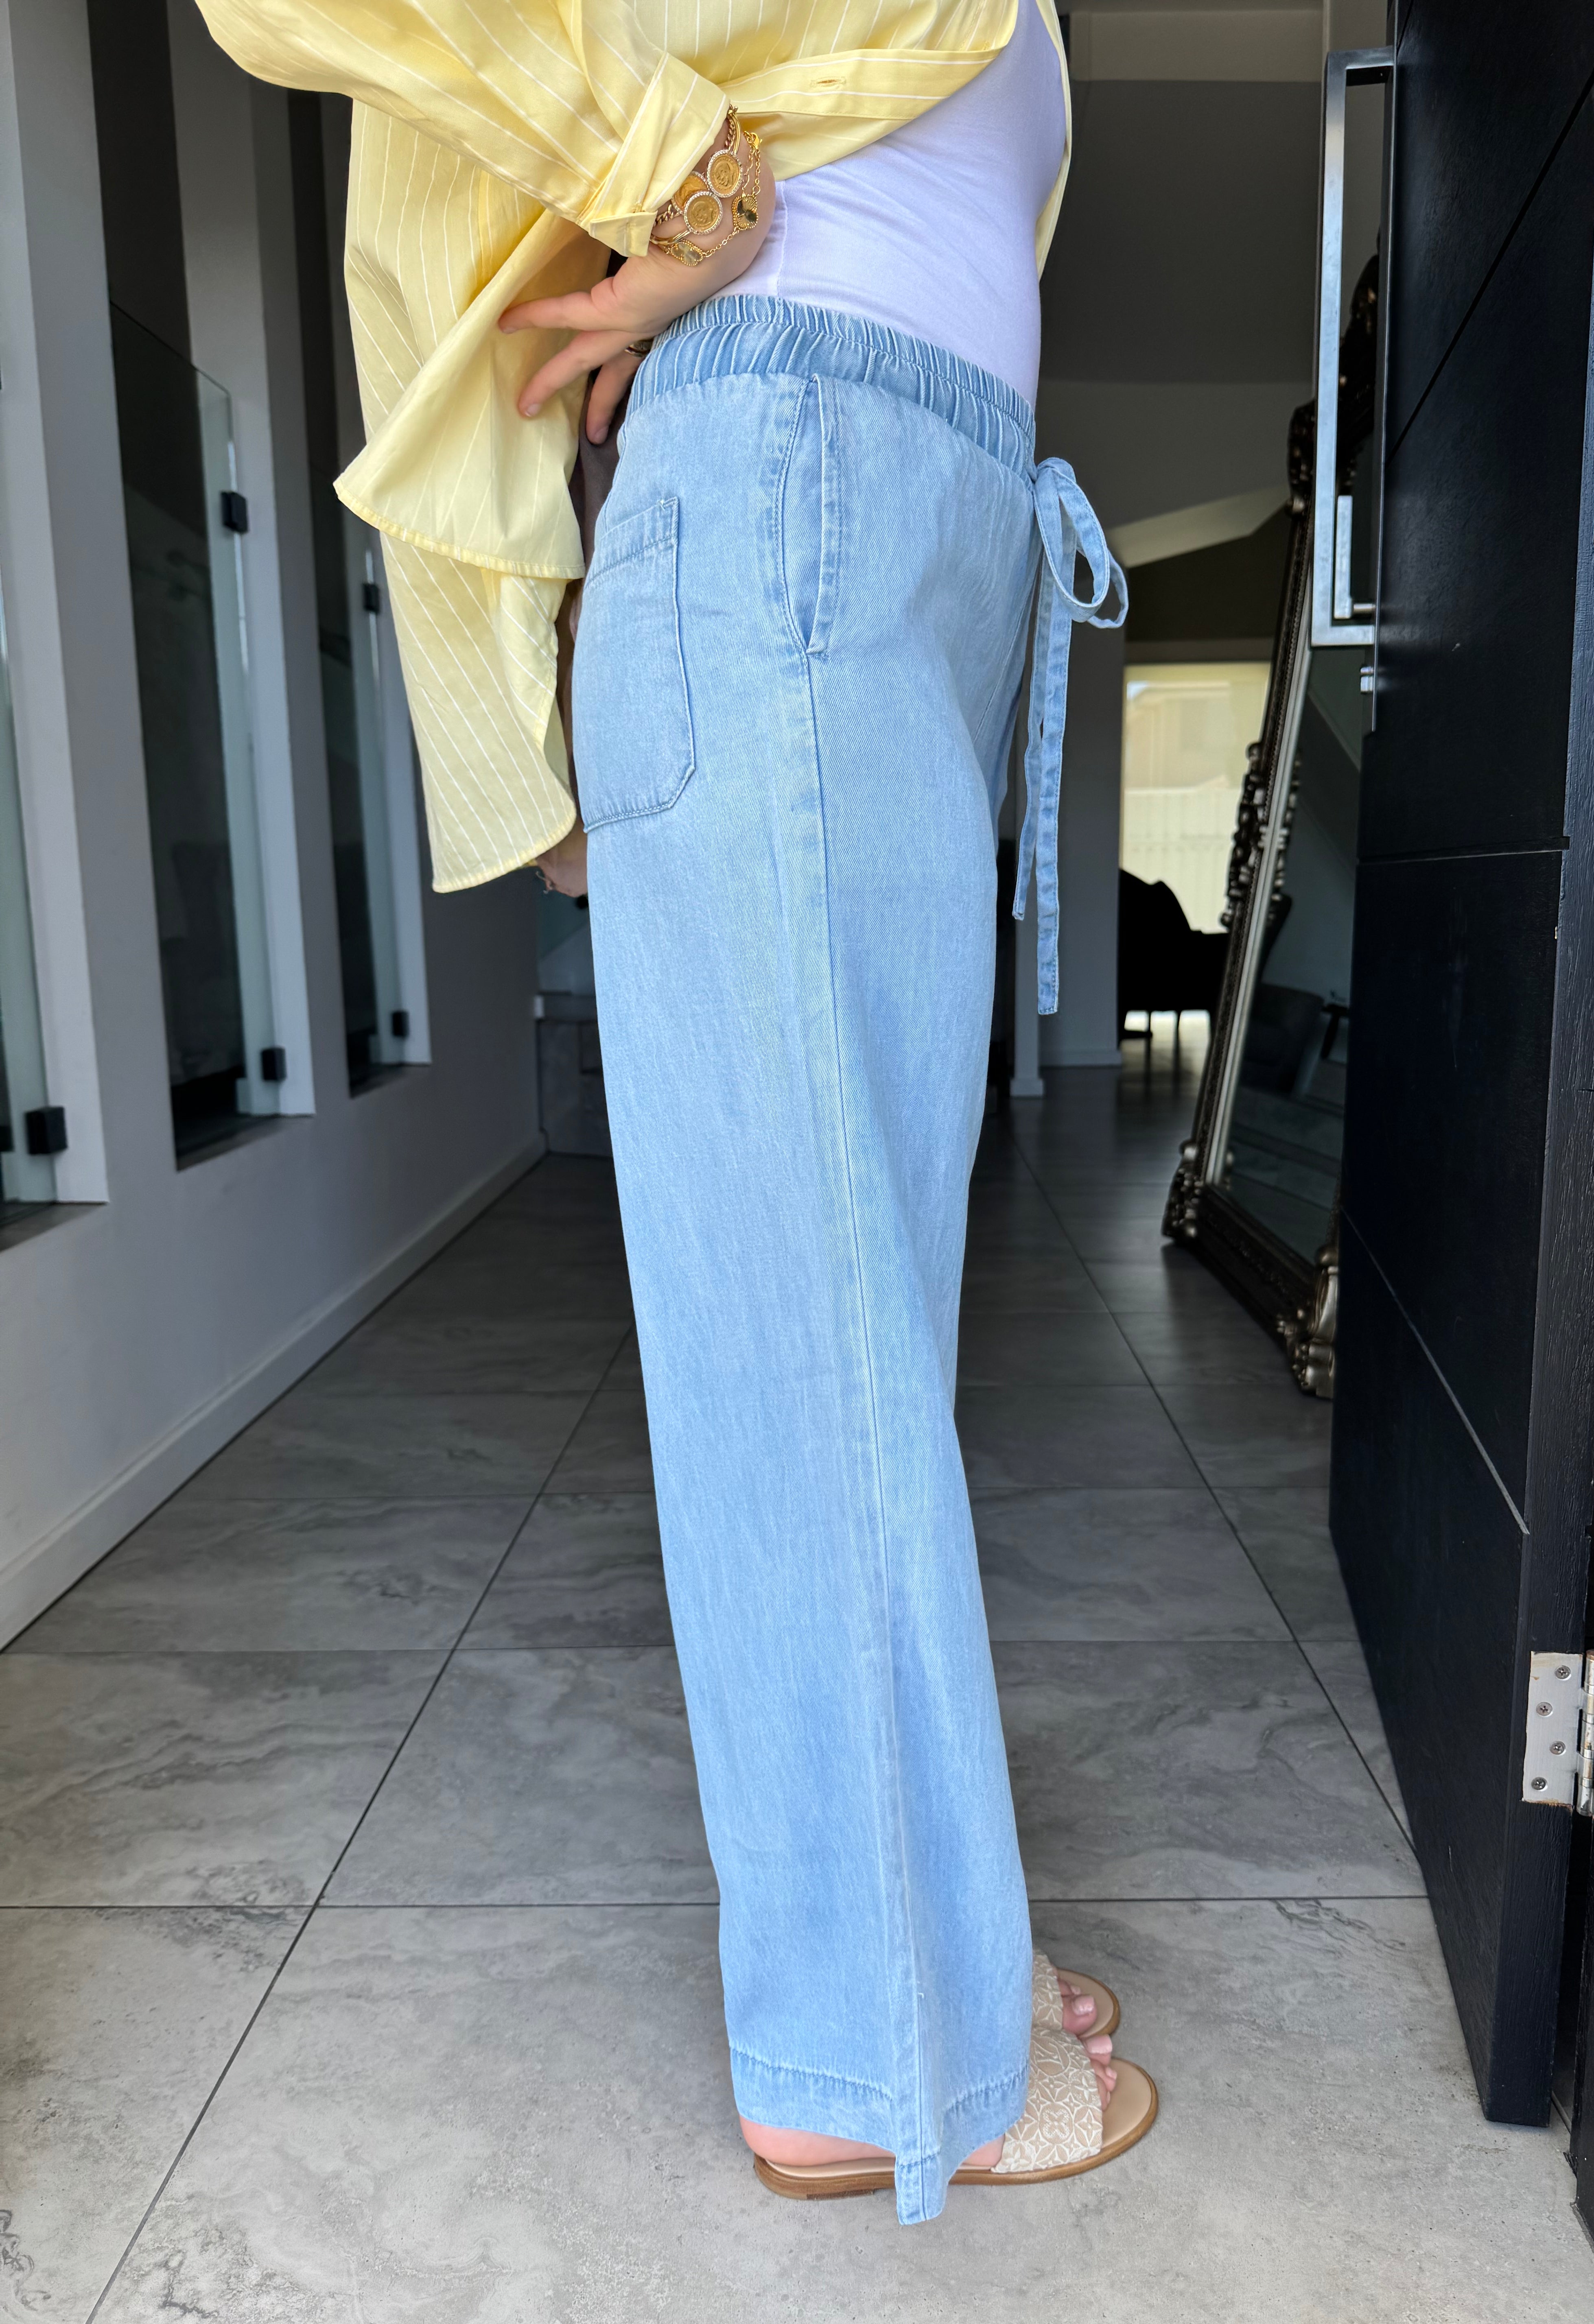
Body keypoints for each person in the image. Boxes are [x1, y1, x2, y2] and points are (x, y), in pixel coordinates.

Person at [197, 0, 1154, 2223]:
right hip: (796, 479)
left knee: (858, 1324)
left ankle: (915, 1949)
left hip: (902, 504)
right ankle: (868, 2045)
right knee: (810, 1343)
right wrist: (674, 173)